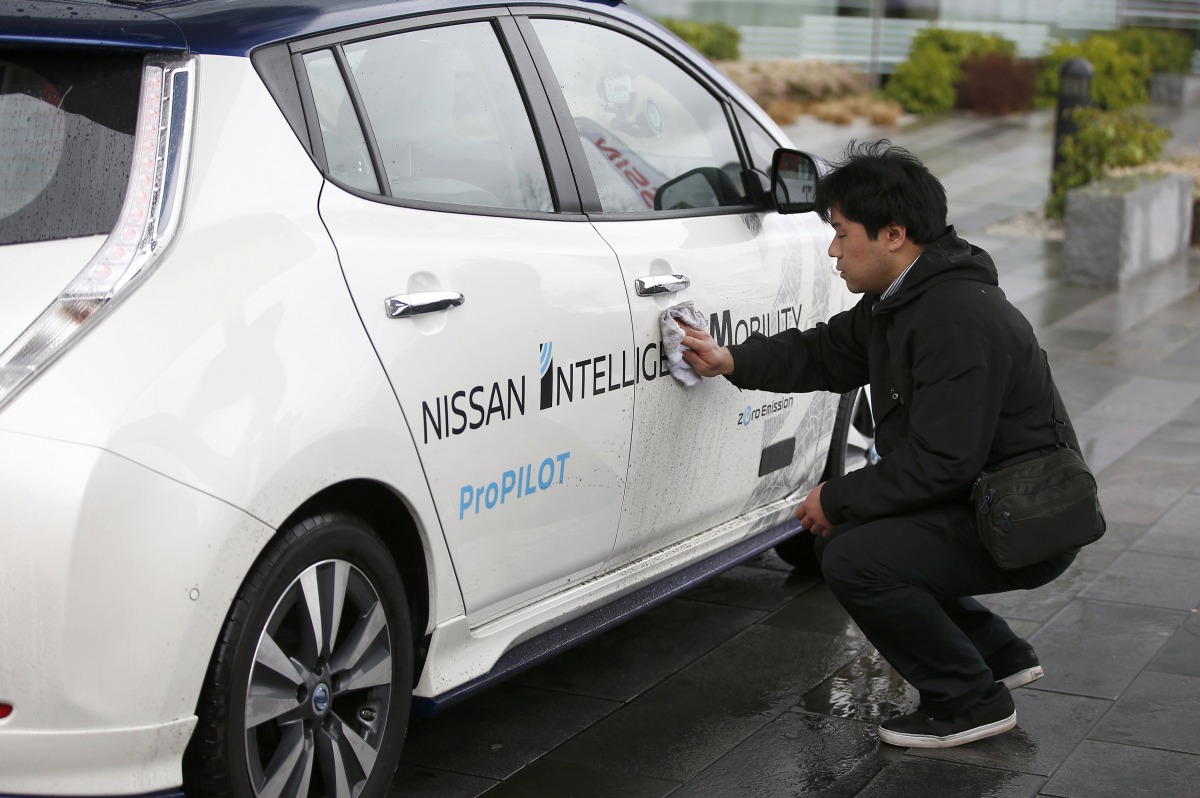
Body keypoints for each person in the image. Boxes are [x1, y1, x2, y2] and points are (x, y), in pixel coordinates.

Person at [680, 140, 1080, 749]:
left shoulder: (954, 318)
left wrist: (836, 498)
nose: (834, 250)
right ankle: (994, 653)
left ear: (894, 235)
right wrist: (732, 358)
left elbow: (944, 461)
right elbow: (824, 352)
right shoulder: (905, 301)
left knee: (853, 555)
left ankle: (968, 700)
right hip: (982, 497)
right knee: (867, 534)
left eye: (842, 233)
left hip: (1023, 519)